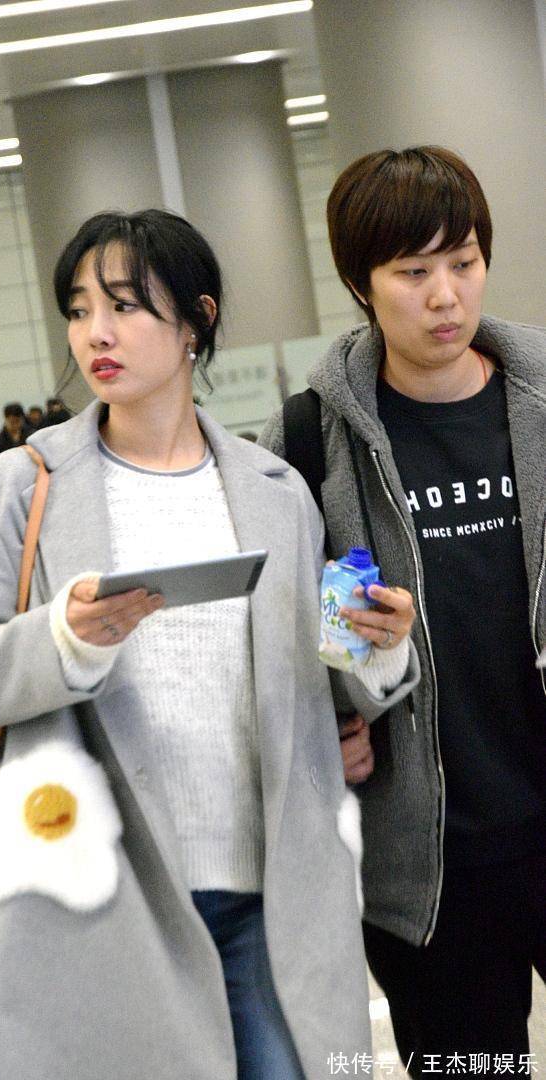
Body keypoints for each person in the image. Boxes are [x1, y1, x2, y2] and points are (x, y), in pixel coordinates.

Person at [0, 209, 417, 1080]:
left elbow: (315, 676)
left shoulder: (274, 490)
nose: (96, 334)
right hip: (108, 905)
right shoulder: (21, 489)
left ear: (197, 321)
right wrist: (65, 639)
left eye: (125, 306)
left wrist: (377, 647)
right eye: (79, 310)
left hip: (272, 897)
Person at [260, 146, 546, 1074]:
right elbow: (292, 640)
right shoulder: (310, 444)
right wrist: (341, 700)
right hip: (430, 866)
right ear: (361, 283)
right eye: (413, 272)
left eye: (463, 261)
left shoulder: (542, 405)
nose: (446, 297)